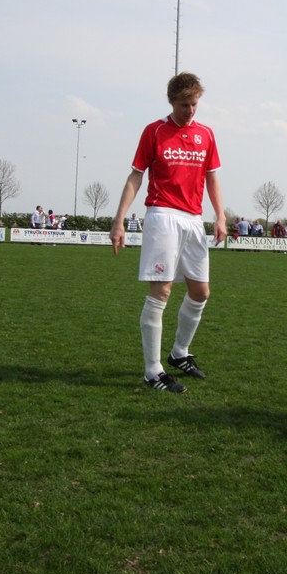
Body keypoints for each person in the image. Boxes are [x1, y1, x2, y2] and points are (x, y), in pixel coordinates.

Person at [109, 71, 226, 393]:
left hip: (193, 219)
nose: (190, 110)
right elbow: (136, 176)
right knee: (161, 292)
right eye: (184, 104)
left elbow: (212, 178)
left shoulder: (206, 134)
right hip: (162, 215)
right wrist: (119, 219)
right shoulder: (155, 131)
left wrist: (220, 216)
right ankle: (152, 371)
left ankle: (179, 353)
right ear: (172, 101)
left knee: (201, 292)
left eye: (195, 104)